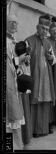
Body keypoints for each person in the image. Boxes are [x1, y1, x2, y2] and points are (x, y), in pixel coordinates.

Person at [25, 14, 56, 137]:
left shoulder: (48, 43)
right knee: (35, 102)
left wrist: (51, 58)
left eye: (47, 29)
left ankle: (44, 129)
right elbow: (25, 61)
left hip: (46, 78)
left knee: (45, 101)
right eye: (43, 28)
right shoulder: (29, 40)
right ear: (37, 27)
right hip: (35, 77)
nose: (45, 31)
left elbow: (53, 60)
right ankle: (34, 130)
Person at [6, 14, 25, 150]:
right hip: (7, 80)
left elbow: (14, 62)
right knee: (9, 112)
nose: (14, 25)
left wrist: (20, 66)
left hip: (13, 79)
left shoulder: (14, 40)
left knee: (14, 110)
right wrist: (20, 60)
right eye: (11, 22)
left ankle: (17, 145)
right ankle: (10, 146)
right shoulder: (6, 41)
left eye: (16, 23)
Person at [15, 41, 32, 146]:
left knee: (25, 111)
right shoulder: (16, 60)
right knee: (22, 112)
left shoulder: (21, 59)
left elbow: (26, 68)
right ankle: (24, 137)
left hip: (23, 87)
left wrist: (25, 61)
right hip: (20, 89)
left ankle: (26, 137)